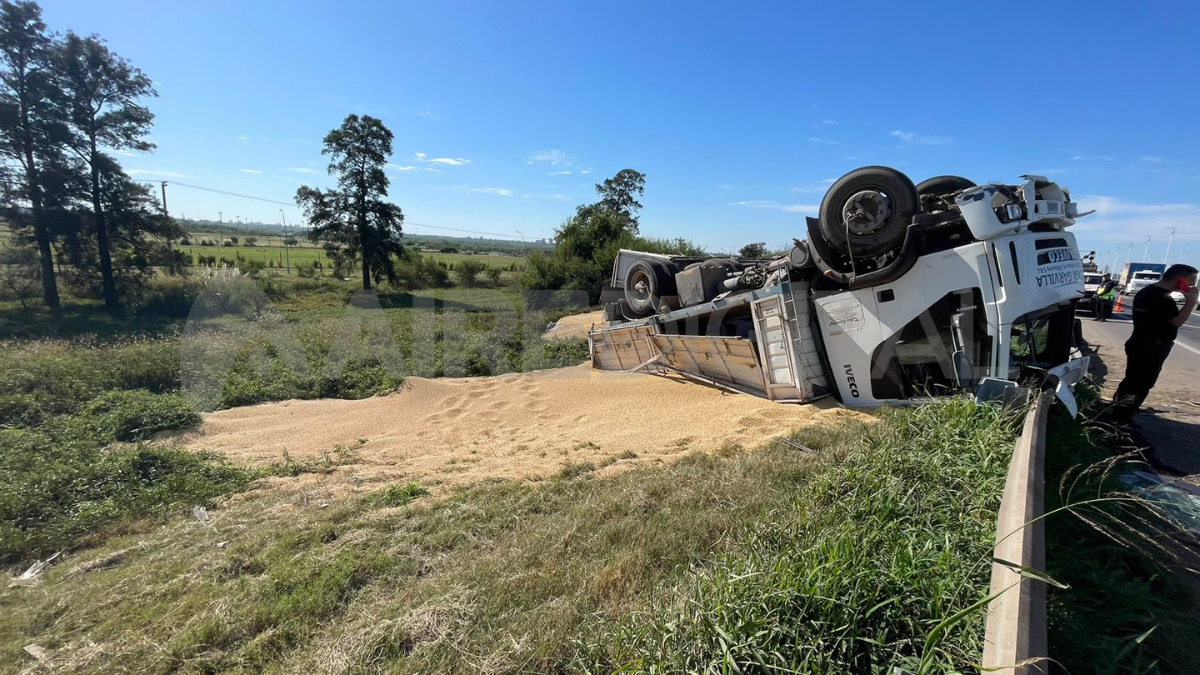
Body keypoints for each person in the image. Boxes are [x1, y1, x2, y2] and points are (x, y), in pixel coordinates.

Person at [1112, 264, 1199, 423]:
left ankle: (1119, 416)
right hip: (1149, 347)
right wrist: (1191, 302)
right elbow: (1177, 321)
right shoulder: (1160, 298)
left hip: (1143, 343)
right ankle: (1120, 421)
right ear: (1178, 280)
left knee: (1132, 382)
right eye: (1191, 281)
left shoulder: (1151, 292)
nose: (1193, 285)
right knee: (1139, 385)